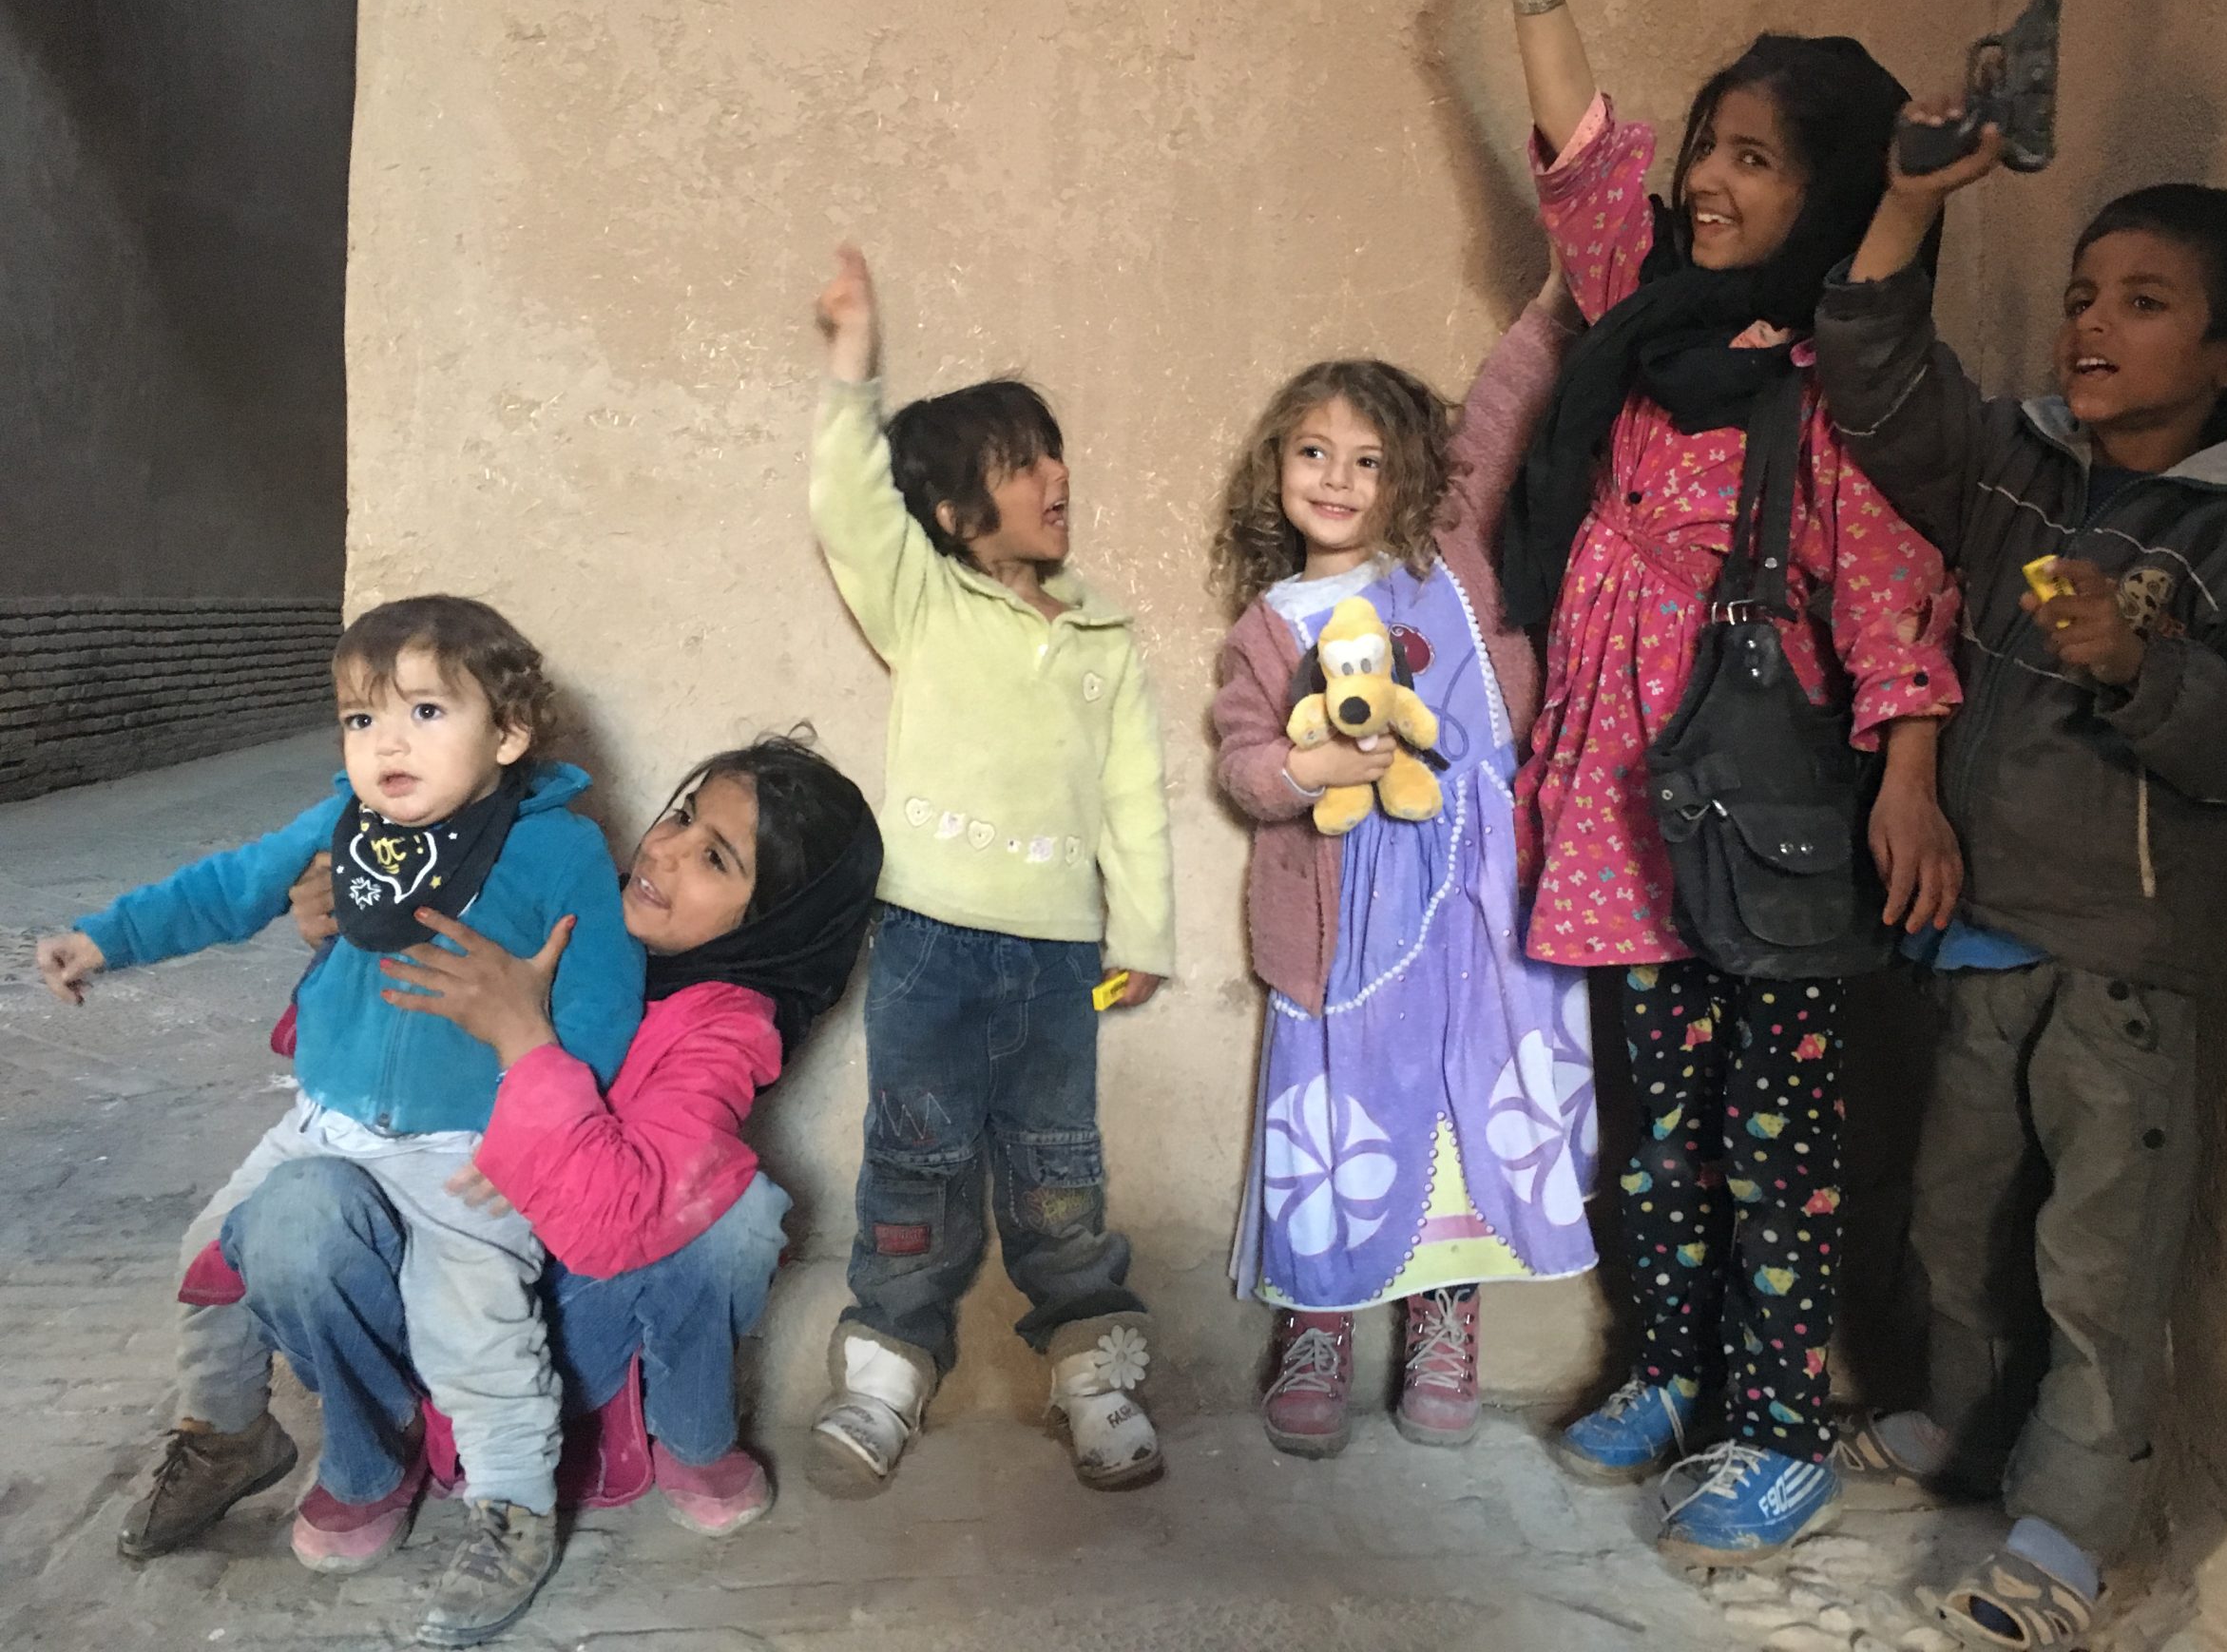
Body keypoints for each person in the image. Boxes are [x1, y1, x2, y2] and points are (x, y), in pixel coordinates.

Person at [1487, 0, 1966, 1566]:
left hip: (1770, 838)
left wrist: (1911, 776)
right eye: (1710, 145)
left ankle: (1780, 1425)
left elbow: (1896, 589)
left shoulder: (1828, 388)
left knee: (1782, 1151)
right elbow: (1584, 149)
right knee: (1659, 1133)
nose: (1707, 181)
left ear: (1823, 197)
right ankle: (1671, 1374)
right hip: (1627, 816)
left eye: (1757, 161)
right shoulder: (1646, 316)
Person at [1812, 116, 2227, 1647]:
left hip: (2129, 965)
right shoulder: (2022, 466)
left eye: (2145, 301)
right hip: (1982, 932)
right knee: (1957, 1216)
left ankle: (2064, 1533)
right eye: (2083, 294)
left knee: (2099, 1260)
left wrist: (2141, 663)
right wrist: (1906, 204)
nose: (2092, 323)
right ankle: (1962, 1429)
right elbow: (1877, 389)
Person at [36, 595, 641, 1648]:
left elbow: (600, 1003)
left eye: (424, 712)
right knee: (207, 1262)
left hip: (470, 1147)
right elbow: (226, 887)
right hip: (327, 1123)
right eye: (363, 720)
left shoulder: (558, 851)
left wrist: (537, 1130)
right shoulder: (344, 830)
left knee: (474, 1323)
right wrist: (105, 938)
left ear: (508, 733)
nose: (386, 744)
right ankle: (229, 1436)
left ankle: (513, 1507)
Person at [216, 733, 882, 1568]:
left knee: (737, 1211)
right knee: (294, 1209)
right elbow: (354, 1048)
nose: (665, 850)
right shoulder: (559, 906)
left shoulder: (726, 1025)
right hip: (417, 1288)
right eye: (682, 816)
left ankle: (689, 1430)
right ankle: (372, 1450)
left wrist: (523, 1036)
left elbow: (614, 1226)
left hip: (566, 1315)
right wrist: (351, 924)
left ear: (774, 919)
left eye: (715, 858)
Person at [802, 244, 1178, 1494]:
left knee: (1058, 1170)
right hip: (928, 938)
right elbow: (851, 505)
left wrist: (1144, 934)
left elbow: (1132, 794)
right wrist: (853, 364)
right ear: (960, 516)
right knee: (915, 1161)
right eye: (1022, 464)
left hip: (1061, 953)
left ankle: (1092, 1377)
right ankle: (884, 1378)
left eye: (1054, 454)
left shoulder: (1105, 636)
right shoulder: (925, 605)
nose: (1055, 476)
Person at [1211, 259, 1594, 1458]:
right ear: (1277, 469)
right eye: (1314, 452)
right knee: (1340, 1117)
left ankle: (1445, 1325)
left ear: (1412, 479)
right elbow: (1243, 760)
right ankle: (1315, 1327)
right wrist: (1304, 769)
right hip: (1344, 929)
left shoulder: (1449, 561)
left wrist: (1562, 294)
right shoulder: (1269, 625)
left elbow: (1504, 407)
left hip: (1484, 906)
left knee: (1461, 1114)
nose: (1338, 477)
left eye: (1369, 459)